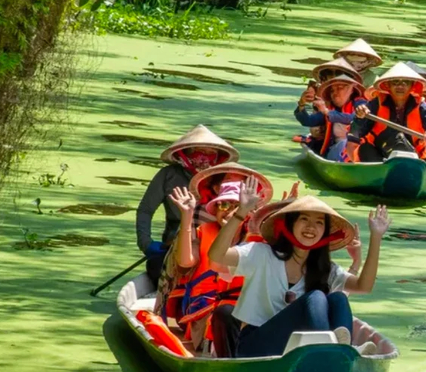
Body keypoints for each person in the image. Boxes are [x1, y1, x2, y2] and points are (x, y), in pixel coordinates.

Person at [207, 193, 390, 358]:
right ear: (290, 224)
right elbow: (216, 255)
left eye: (319, 222)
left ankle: (342, 351)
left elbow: (363, 286)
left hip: (298, 351)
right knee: (317, 297)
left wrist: (376, 237)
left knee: (339, 298)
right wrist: (240, 213)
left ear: (324, 232)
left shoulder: (326, 269)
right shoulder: (260, 253)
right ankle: (334, 353)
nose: (311, 227)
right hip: (255, 347)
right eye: (304, 219)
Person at [155, 163, 273, 353]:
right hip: (205, 307)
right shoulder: (203, 232)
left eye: (236, 206)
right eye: (224, 204)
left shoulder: (257, 239)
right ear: (216, 208)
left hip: (245, 309)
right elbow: (185, 262)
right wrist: (187, 215)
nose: (229, 211)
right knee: (225, 315)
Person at [137, 125, 238, 286]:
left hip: (216, 243)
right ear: (186, 152)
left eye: (210, 153)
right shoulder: (168, 175)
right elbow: (145, 210)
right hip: (174, 244)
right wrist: (146, 243)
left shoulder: (225, 178)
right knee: (156, 267)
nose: (204, 158)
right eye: (199, 151)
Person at [346, 62, 426, 176]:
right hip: (380, 154)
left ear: (412, 86)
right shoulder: (375, 104)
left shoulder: (422, 107)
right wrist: (360, 117)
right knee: (365, 149)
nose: (400, 86)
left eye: (405, 83)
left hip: (414, 158)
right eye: (395, 82)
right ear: (388, 86)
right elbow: (357, 132)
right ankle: (379, 175)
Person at [302, 72, 367, 162]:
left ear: (351, 89)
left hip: (358, 150)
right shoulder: (330, 108)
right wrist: (301, 105)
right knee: (345, 143)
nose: (335, 93)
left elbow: (354, 118)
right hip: (336, 150)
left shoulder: (360, 104)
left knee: (351, 143)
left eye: (340, 88)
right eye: (332, 90)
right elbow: (307, 121)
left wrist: (326, 111)